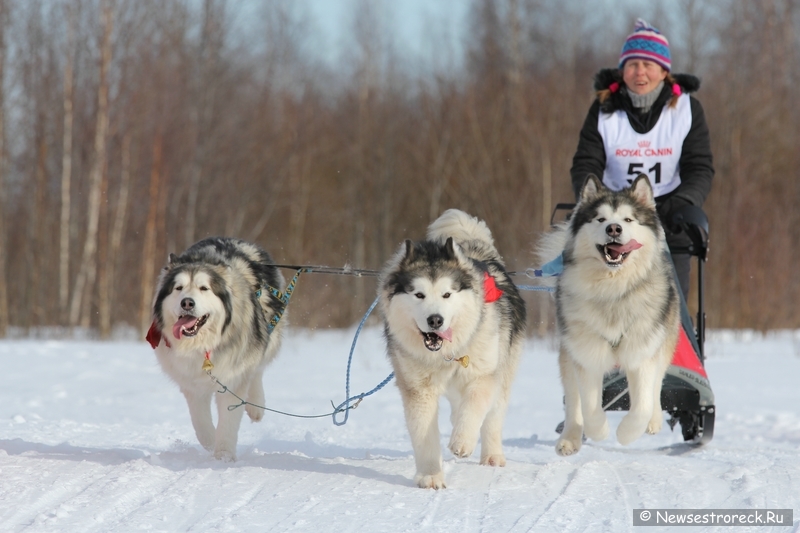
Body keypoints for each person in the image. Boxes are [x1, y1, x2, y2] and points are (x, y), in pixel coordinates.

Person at [570, 19, 714, 300]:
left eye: (648, 65)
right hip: (613, 216)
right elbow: (586, 163)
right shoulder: (603, 110)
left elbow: (700, 167)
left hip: (670, 217)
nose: (640, 72)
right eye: (633, 64)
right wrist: (590, 200)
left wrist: (682, 203)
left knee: (671, 306)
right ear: (622, 70)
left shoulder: (686, 110)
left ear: (663, 71)